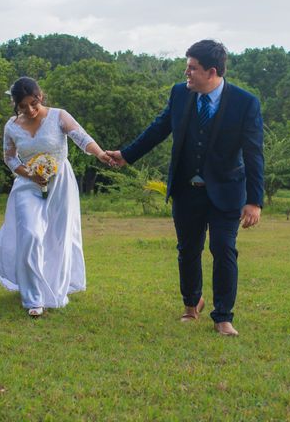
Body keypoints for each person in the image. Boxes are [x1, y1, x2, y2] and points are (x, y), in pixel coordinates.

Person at [107, 40, 264, 336]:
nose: (186, 73)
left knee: (223, 248)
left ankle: (223, 317)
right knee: (188, 250)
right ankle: (192, 306)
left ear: (212, 71)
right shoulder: (180, 94)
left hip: (227, 190)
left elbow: (255, 153)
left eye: (192, 68)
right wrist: (127, 155)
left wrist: (255, 201)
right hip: (186, 189)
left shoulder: (245, 103)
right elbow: (158, 128)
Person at [0, 76, 113, 317]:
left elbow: (81, 137)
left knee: (58, 237)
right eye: (23, 106)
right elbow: (10, 157)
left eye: (33, 103)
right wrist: (29, 174)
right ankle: (33, 299)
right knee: (31, 234)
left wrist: (99, 154)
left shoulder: (58, 116)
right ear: (15, 105)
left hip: (60, 183)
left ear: (40, 96)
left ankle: (53, 290)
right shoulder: (11, 126)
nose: (30, 110)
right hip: (27, 184)